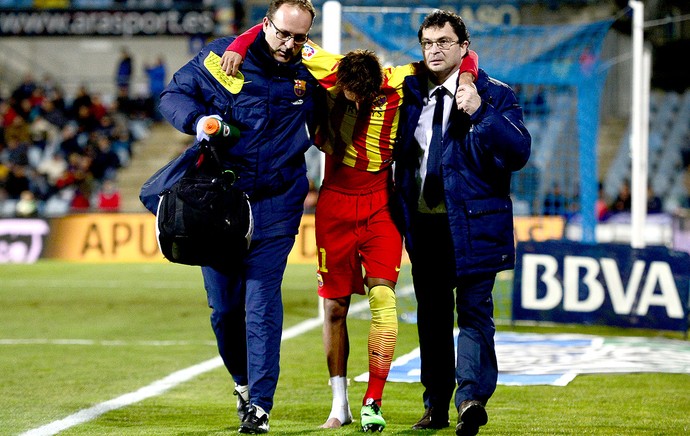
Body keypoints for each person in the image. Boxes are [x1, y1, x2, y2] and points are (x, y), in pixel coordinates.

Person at [221, 28, 478, 433]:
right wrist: (236, 46)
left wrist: (465, 79)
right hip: (335, 206)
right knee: (335, 307)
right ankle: (339, 403)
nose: (356, 104)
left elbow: (464, 58)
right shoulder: (327, 66)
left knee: (384, 302)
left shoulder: (399, 78)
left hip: (381, 205)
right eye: (349, 97)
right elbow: (265, 32)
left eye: (364, 99)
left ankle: (373, 400)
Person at [157, 0, 324, 434]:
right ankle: (244, 385)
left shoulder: (314, 72)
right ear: (264, 25)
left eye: (299, 37)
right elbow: (173, 94)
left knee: (261, 299)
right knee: (224, 310)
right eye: (282, 34)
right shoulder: (222, 57)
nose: (289, 45)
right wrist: (197, 121)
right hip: (220, 204)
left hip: (277, 201)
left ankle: (261, 406)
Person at [393, 10, 531, 436]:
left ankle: (470, 399)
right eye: (428, 43)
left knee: (473, 314)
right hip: (425, 227)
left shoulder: (495, 94)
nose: (435, 50)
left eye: (444, 42)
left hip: (474, 225)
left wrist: (481, 113)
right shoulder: (408, 94)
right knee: (432, 319)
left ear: (464, 47)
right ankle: (435, 405)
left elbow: (519, 152)